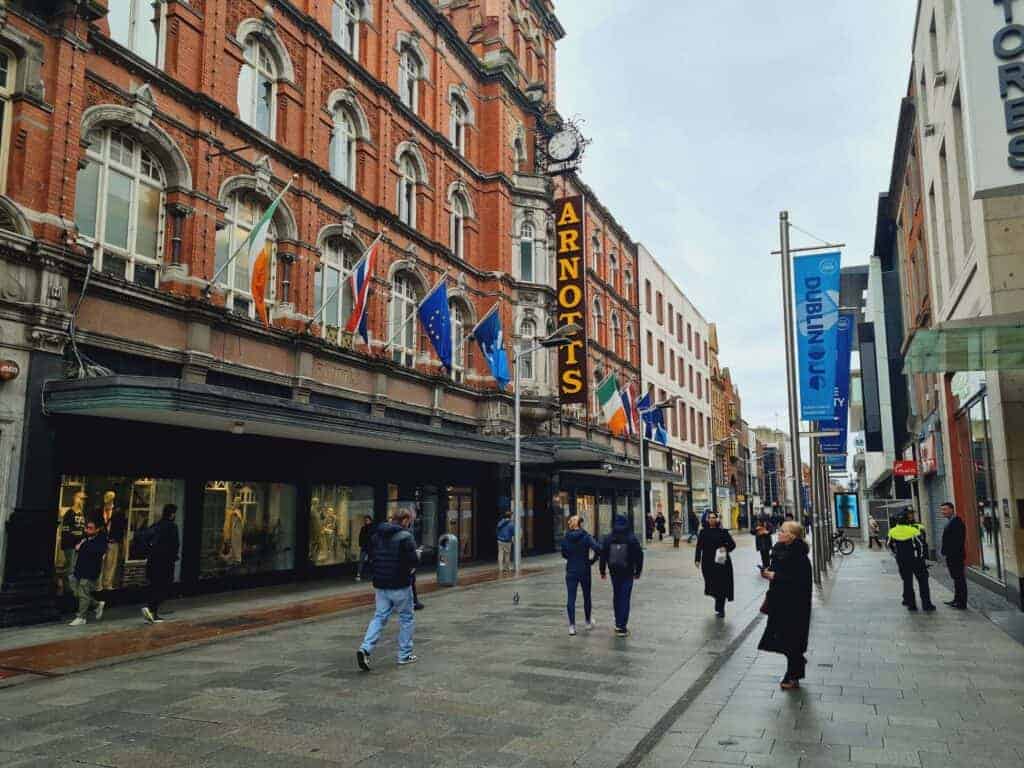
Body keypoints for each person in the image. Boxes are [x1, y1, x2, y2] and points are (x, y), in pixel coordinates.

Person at [357, 510, 421, 670]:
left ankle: (365, 648)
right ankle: (404, 655)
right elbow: (412, 560)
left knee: (379, 617)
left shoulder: (377, 535)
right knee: (406, 618)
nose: (410, 523)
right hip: (400, 583)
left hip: (381, 583)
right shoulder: (406, 537)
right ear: (405, 520)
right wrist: (417, 557)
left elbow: (372, 556)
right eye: (410, 520)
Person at [758, 520, 812, 690]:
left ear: (792, 536)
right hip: (779, 602)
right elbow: (778, 572)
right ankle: (795, 668)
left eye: (782, 531)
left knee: (792, 641)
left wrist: (775, 576)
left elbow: (799, 582)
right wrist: (768, 574)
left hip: (794, 606)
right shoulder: (779, 551)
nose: (779, 533)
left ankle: (793, 675)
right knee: (782, 640)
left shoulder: (800, 557)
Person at [599, 514, 644, 636]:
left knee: (617, 595)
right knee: (625, 597)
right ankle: (622, 626)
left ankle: (617, 621)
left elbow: (602, 555)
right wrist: (638, 571)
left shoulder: (608, 538)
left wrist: (602, 571)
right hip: (628, 571)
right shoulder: (631, 538)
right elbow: (639, 555)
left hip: (614, 571)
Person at [561, 514, 600, 636]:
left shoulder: (566, 537)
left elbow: (564, 554)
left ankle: (572, 626)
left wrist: (571, 557)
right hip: (584, 570)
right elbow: (598, 548)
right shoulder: (586, 536)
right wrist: (592, 561)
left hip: (571, 570)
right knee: (587, 596)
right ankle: (587, 622)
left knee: (571, 598)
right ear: (580, 524)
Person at [888, 513, 935, 612]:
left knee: (907, 582)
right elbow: (921, 545)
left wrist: (896, 554)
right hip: (916, 560)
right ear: (907, 521)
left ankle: (911, 605)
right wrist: (922, 557)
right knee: (923, 582)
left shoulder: (892, 531)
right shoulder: (914, 530)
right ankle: (926, 605)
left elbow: (889, 544)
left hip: (902, 561)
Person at [140, 504, 180, 623]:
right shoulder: (172, 527)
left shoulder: (156, 525)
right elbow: (175, 544)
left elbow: (145, 539)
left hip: (153, 561)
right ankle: (151, 609)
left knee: (154, 586)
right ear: (172, 514)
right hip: (165, 562)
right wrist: (174, 557)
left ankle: (153, 612)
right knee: (164, 587)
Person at [695, 512, 736, 617]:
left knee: (721, 585)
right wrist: (697, 559)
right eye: (710, 518)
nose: (712, 519)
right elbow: (699, 547)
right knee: (711, 584)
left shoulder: (723, 531)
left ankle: (720, 608)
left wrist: (725, 548)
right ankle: (717, 599)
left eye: (714, 518)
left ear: (717, 519)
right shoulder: (703, 532)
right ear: (707, 520)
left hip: (721, 561)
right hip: (708, 562)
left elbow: (732, 545)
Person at [68, 519, 108, 627]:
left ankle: (81, 617)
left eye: (90, 528)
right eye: (87, 528)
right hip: (79, 569)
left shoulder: (101, 540)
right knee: (77, 592)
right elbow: (77, 548)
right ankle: (96, 605)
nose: (87, 530)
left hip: (90, 571)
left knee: (83, 593)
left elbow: (96, 552)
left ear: (97, 529)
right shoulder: (85, 538)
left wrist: (82, 547)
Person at [939, 502, 967, 610]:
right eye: (942, 510)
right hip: (952, 556)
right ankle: (957, 599)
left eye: (945, 509)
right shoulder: (951, 522)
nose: (943, 512)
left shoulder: (957, 522)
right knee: (956, 579)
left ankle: (962, 602)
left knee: (959, 579)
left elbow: (958, 541)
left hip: (956, 557)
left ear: (952, 509)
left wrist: (951, 554)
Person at [98, 491, 127, 592]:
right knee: (100, 563)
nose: (107, 499)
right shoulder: (101, 510)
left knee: (110, 564)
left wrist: (121, 541)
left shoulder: (118, 511)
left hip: (113, 540)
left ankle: (108, 585)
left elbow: (122, 527)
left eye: (109, 497)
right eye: (106, 497)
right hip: (101, 540)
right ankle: (99, 585)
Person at [496, 511, 515, 577]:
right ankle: (507, 567)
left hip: (500, 540)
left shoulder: (500, 522)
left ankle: (500, 568)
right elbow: (513, 533)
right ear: (510, 516)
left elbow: (497, 529)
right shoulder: (511, 524)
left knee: (500, 553)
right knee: (507, 554)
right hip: (507, 541)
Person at [357, 515, 374, 582]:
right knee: (361, 561)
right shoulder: (363, 528)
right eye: (365, 520)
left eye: (367, 520)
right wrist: (361, 544)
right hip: (364, 547)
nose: (366, 521)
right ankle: (359, 574)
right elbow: (360, 537)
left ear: (370, 520)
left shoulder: (373, 528)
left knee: (371, 561)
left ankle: (371, 575)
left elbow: (374, 538)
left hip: (370, 548)